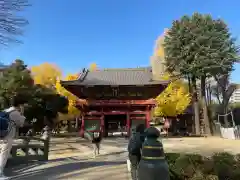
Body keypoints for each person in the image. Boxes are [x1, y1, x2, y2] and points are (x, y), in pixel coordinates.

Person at [0, 95, 26, 180]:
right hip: (7, 137)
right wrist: (22, 112)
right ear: (20, 104)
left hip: (1, 134)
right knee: (4, 155)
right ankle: (0, 174)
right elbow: (21, 124)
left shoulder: (5, 111)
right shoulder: (15, 113)